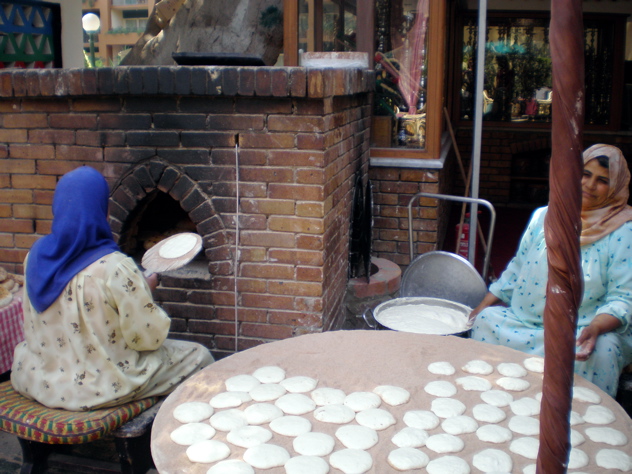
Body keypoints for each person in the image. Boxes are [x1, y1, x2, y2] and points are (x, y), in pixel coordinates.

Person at [11, 166, 214, 411]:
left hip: (37, 379)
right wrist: (145, 289)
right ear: (103, 212)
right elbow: (148, 338)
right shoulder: (114, 268)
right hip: (98, 388)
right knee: (199, 356)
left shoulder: (34, 256)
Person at [470, 144, 632, 397]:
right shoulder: (544, 216)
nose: (589, 185)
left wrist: (597, 328)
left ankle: (579, 421)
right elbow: (519, 266)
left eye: (602, 180)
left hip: (580, 328)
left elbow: (624, 297)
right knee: (485, 322)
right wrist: (482, 306)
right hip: (526, 323)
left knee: (602, 350)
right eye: (585, 174)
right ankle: (504, 397)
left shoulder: (623, 232)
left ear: (615, 187)